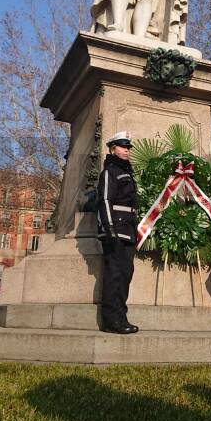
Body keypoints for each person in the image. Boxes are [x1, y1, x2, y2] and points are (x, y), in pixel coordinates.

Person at [97, 131, 139, 334]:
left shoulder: (127, 172)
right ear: (113, 148)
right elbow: (105, 200)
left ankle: (121, 317)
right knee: (114, 275)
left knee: (125, 275)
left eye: (128, 147)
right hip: (115, 229)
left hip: (128, 230)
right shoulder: (109, 172)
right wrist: (109, 227)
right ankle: (110, 321)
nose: (126, 150)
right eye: (123, 146)